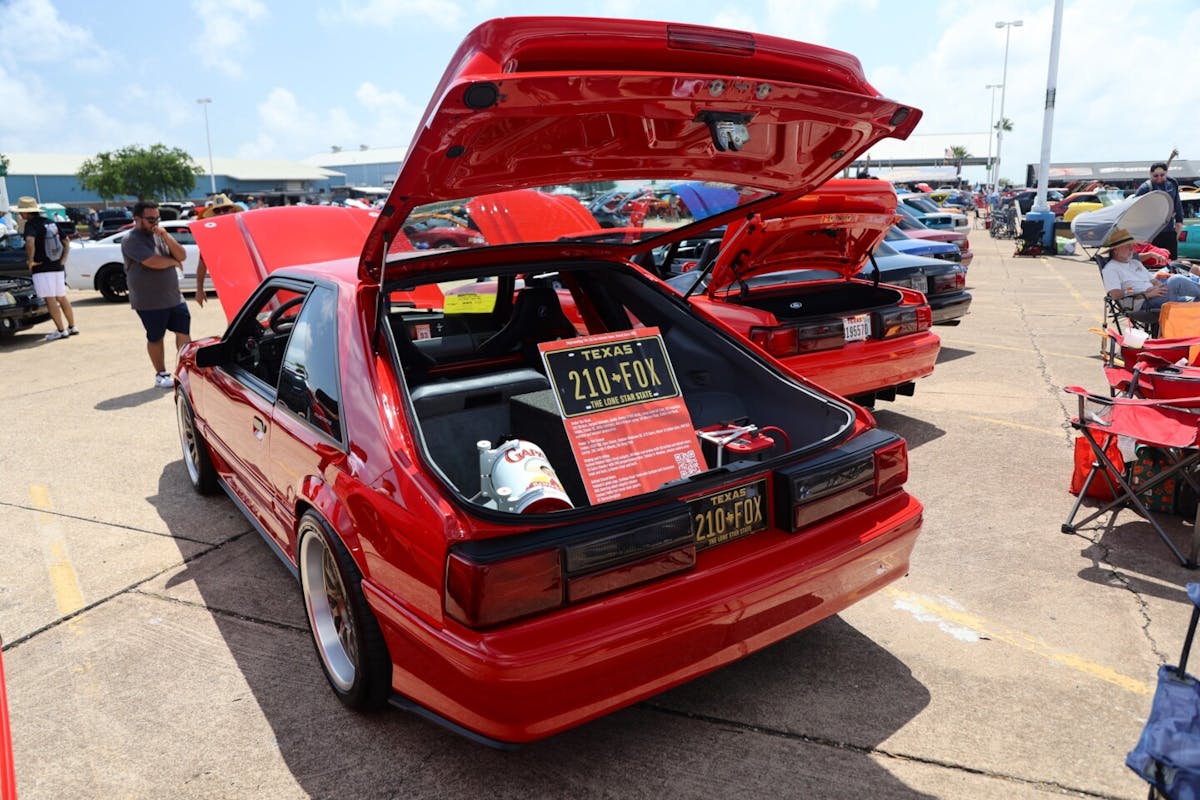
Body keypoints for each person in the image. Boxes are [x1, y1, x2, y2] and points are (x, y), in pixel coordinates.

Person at [121, 200, 190, 388]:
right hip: (149, 301)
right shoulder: (131, 240)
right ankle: (161, 374)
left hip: (174, 297)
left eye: (157, 219)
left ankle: (185, 369)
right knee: (155, 337)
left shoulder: (160, 235)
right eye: (150, 219)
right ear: (137, 219)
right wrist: (173, 262)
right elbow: (151, 261)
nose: (155, 223)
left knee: (183, 333)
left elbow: (182, 255)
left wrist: (167, 237)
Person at [18, 196, 77, 341]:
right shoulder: (50, 222)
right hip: (57, 265)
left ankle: (61, 330)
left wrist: (31, 261)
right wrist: (63, 259)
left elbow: (30, 241)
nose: (19, 214)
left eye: (20, 212)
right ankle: (72, 326)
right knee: (61, 297)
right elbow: (66, 241)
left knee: (50, 299)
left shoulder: (31, 225)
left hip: (42, 267)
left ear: (26, 213)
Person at [1101, 228, 1200, 312]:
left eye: (1132, 245)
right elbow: (1116, 296)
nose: (1132, 249)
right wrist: (1146, 294)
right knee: (1176, 280)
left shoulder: (1135, 263)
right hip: (1142, 303)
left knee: (1194, 300)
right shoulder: (1111, 269)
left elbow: (1153, 280)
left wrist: (1159, 286)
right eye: (1127, 246)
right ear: (1115, 250)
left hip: (1156, 295)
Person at [193, 194, 242, 307]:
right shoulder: (211, 237)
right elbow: (202, 263)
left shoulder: (244, 230)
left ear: (233, 210)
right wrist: (199, 289)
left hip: (250, 283)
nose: (221, 213)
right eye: (217, 210)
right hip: (227, 286)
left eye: (225, 209)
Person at [1133, 161, 1185, 259]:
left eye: (1162, 175)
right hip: (1152, 233)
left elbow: (1177, 204)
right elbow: (1135, 208)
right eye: (1156, 175)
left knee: (1171, 262)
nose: (1159, 178)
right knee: (1155, 262)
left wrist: (1179, 222)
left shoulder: (1172, 183)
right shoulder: (1145, 188)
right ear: (1150, 174)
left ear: (1166, 173)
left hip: (1169, 231)